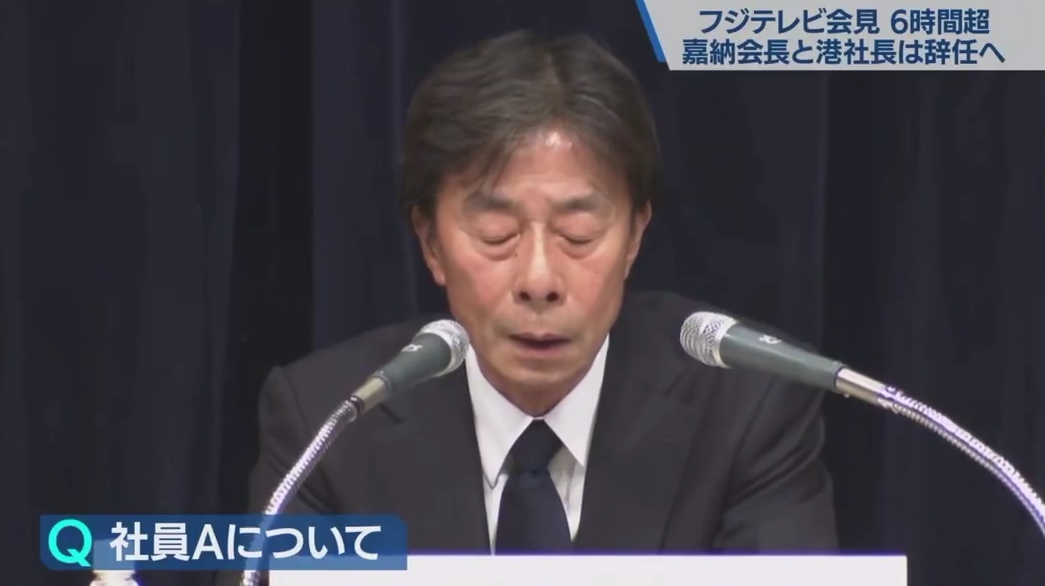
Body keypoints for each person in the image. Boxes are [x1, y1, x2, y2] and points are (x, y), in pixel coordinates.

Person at [229, 29, 837, 581]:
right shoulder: (331, 425)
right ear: (431, 243)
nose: (539, 279)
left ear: (635, 236)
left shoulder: (747, 409)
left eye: (578, 234)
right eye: (497, 234)